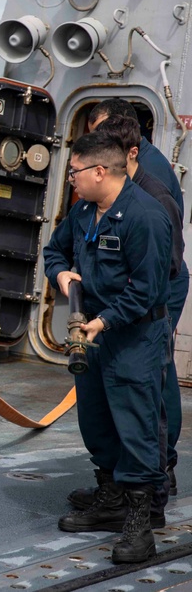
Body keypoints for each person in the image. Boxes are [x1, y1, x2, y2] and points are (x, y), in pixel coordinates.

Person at [44, 131, 172, 564]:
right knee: (96, 419)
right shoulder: (83, 212)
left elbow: (147, 290)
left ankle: (141, 521)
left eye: (76, 172)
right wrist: (62, 277)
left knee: (136, 425)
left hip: (132, 335)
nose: (71, 181)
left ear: (100, 171)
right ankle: (111, 497)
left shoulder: (146, 217)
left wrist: (100, 322)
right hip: (94, 334)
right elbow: (53, 252)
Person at [70, 99, 188, 499]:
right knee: (110, 393)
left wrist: (117, 315)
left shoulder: (150, 195)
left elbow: (164, 266)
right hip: (119, 302)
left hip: (158, 291)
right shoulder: (98, 201)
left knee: (153, 379)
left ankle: (161, 470)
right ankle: (117, 484)